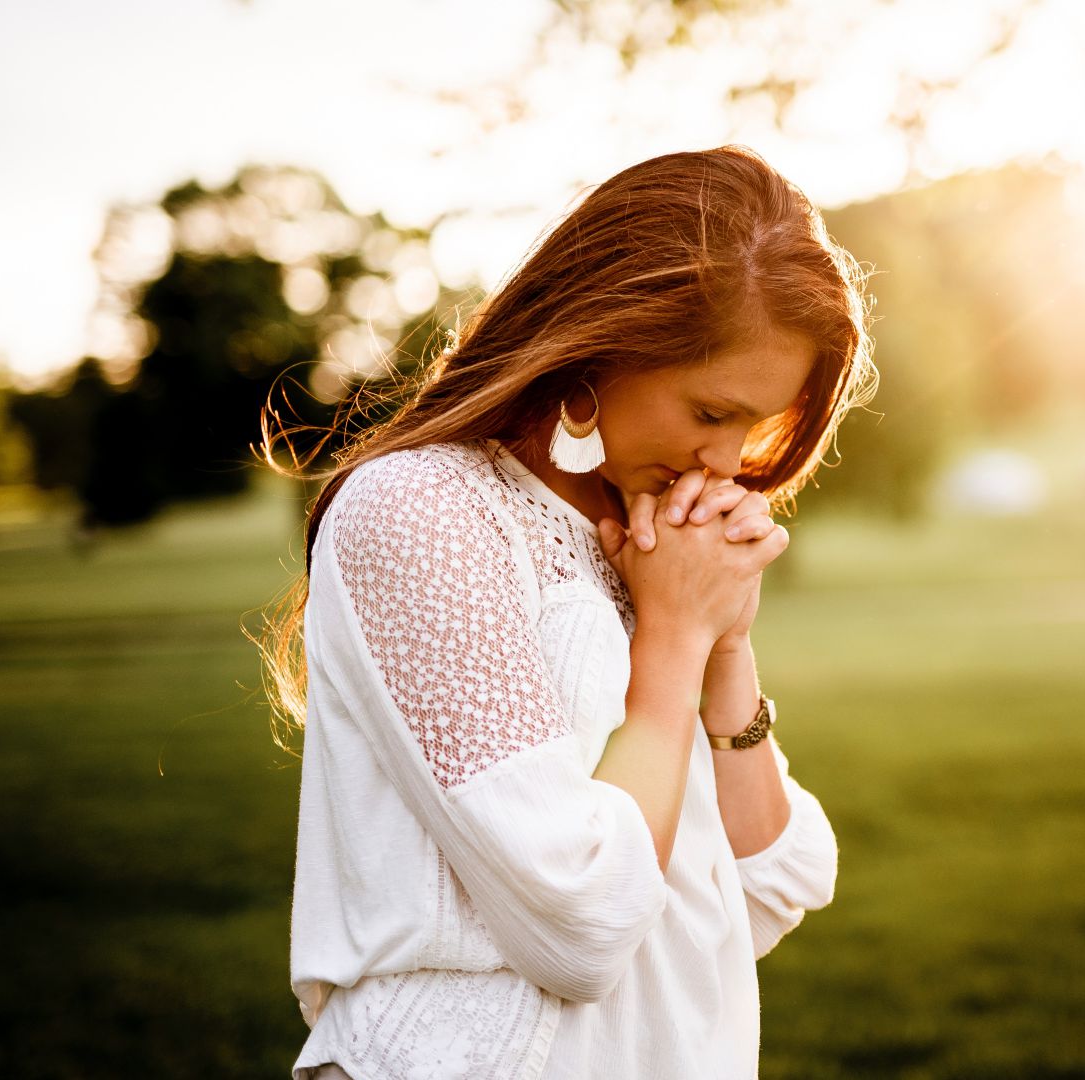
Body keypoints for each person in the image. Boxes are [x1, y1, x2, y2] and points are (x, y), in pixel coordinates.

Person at [255, 144, 878, 1079]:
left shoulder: (643, 538)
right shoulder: (424, 512)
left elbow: (766, 886)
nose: (727, 463)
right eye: (711, 412)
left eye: (753, 428)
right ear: (601, 344)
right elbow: (581, 919)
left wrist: (723, 643)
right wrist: (671, 641)